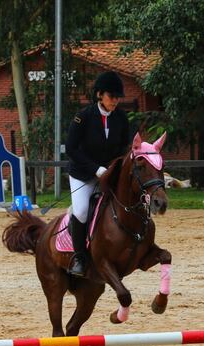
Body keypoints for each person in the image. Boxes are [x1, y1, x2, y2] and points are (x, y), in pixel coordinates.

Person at [65, 71, 130, 277]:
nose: (116, 101)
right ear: (100, 94)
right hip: (82, 174)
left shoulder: (121, 117)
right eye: (112, 96)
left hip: (109, 174)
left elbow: (125, 147)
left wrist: (114, 168)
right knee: (82, 211)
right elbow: (71, 149)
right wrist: (95, 169)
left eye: (118, 97)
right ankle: (79, 257)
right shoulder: (83, 117)